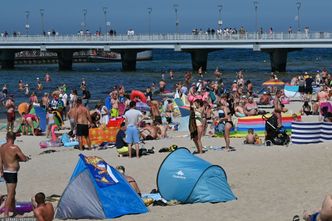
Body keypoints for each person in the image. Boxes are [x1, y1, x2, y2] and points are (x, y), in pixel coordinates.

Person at [0, 132, 29, 217]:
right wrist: (26, 158)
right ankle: (6, 214)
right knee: (10, 194)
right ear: (15, 138)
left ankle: (14, 211)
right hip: (12, 173)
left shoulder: (2, 147)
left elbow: (0, 160)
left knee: (13, 192)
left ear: (6, 137)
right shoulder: (15, 148)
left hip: (5, 171)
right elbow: (23, 158)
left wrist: (1, 170)